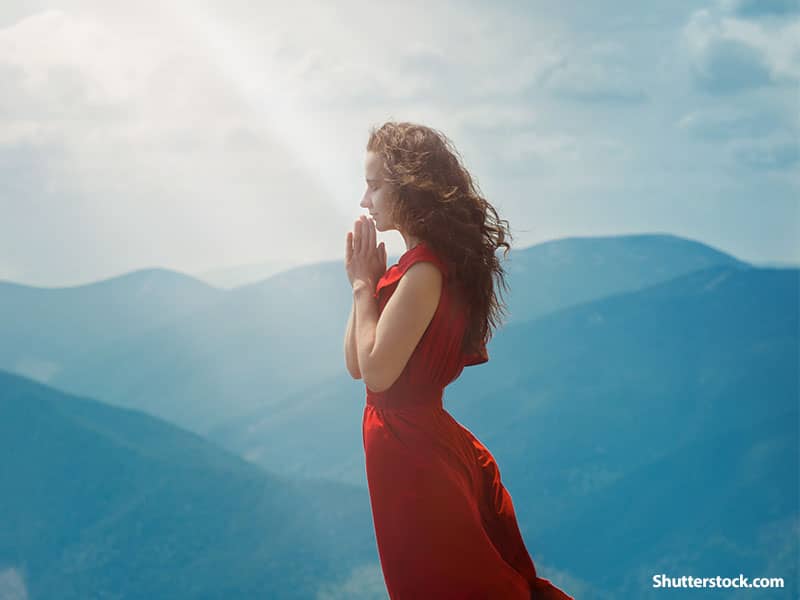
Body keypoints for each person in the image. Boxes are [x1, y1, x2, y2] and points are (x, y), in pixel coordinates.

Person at [344, 121, 573, 599]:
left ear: (407, 187)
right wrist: (362, 284)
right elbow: (356, 363)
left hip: (413, 451)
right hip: (403, 446)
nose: (365, 200)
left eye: (374, 185)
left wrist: (366, 286)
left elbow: (378, 372)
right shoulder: (410, 269)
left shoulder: (425, 271)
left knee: (442, 581)